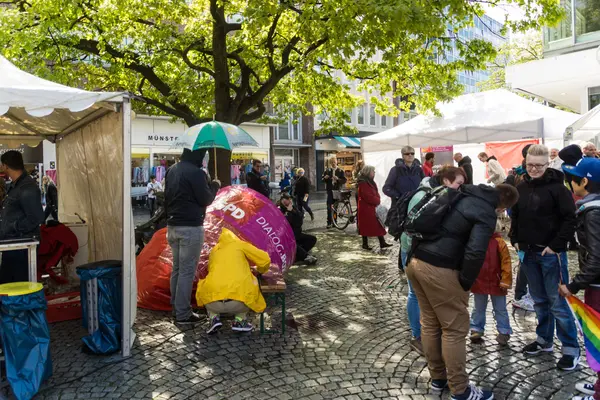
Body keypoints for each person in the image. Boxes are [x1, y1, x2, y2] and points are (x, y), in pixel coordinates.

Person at [406, 183, 519, 400]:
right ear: (503, 207)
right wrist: (465, 282)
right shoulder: (486, 211)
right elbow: (476, 250)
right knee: (455, 328)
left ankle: (438, 379)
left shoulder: (463, 193)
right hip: (440, 267)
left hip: (416, 261)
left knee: (429, 323)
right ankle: (460, 389)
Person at [509, 144, 579, 370]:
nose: (533, 169)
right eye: (529, 165)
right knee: (539, 301)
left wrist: (556, 246)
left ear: (547, 164)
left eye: (538, 166)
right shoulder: (522, 184)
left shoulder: (559, 189)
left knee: (557, 302)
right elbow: (516, 215)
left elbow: (570, 219)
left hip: (550, 254)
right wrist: (515, 239)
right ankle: (544, 340)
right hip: (527, 252)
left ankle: (570, 348)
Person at [400, 166, 466, 355]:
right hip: (413, 250)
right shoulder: (424, 196)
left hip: (422, 250)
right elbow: (411, 227)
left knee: (424, 296)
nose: (461, 188)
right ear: (446, 180)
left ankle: (427, 333)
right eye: (459, 184)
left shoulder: (440, 194)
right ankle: (417, 335)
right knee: (415, 294)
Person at [558, 157, 600, 400]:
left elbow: (596, 258)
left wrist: (573, 285)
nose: (570, 183)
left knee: (598, 337)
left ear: (584, 181)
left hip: (597, 285)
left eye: (572, 179)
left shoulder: (593, 212)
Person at [165, 148, 218, 324]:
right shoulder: (196, 173)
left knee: (178, 269)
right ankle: (183, 314)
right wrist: (215, 186)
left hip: (172, 226)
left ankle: (176, 308)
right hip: (190, 227)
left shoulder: (172, 170)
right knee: (187, 272)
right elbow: (206, 199)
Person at [196, 228, 271, 334]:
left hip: (212, 303)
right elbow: (265, 260)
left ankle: (213, 318)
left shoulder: (214, 250)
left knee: (206, 285)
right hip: (238, 303)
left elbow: (210, 269)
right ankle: (240, 321)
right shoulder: (240, 244)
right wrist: (260, 270)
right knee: (248, 286)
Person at [0, 151, 44, 284]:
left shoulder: (27, 187)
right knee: (8, 283)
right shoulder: (15, 186)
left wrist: (13, 226)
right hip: (13, 244)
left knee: (18, 285)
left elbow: (36, 218)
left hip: (22, 246)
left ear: (5, 166)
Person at [469, 218, 513, 346]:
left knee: (500, 308)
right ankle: (476, 329)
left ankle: (504, 331)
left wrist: (505, 280)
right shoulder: (478, 242)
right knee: (478, 307)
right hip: (480, 280)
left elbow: (506, 263)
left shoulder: (499, 243)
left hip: (496, 281)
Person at [358, 165, 391, 251]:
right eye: (373, 171)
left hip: (371, 207)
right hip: (367, 208)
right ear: (368, 172)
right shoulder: (364, 183)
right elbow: (368, 196)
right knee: (367, 226)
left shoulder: (369, 181)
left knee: (378, 224)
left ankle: (382, 242)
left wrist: (377, 199)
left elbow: (374, 193)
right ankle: (365, 244)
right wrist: (377, 200)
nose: (374, 173)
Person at [279, 193, 317, 265]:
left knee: (305, 204)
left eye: (289, 200)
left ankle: (298, 255)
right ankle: (305, 256)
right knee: (303, 204)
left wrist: (294, 211)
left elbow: (299, 221)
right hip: (289, 237)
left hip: (305, 195)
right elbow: (286, 223)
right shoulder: (282, 210)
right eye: (286, 201)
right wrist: (289, 212)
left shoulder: (294, 208)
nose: (289, 202)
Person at [322, 157, 347, 229]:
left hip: (337, 191)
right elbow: (322, 179)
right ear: (330, 163)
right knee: (329, 207)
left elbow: (344, 180)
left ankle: (335, 221)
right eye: (332, 162)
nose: (333, 163)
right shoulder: (327, 170)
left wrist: (338, 179)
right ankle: (329, 222)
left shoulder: (340, 171)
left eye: (334, 162)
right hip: (329, 191)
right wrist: (325, 178)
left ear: (336, 162)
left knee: (335, 208)